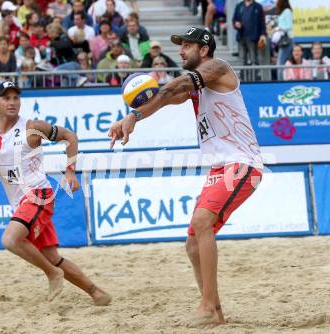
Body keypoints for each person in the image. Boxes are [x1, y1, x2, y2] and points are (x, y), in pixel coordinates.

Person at [108, 27, 263, 327]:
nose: (180, 51)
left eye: (187, 45)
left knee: (203, 221)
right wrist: (132, 118)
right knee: (192, 244)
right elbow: (164, 99)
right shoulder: (197, 86)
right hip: (220, 168)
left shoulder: (219, 68)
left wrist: (133, 114)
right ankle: (215, 311)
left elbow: (168, 89)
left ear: (204, 50)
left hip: (242, 164)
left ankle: (206, 307)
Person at [0, 81, 112, 306]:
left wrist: (70, 171)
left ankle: (52, 274)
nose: (12, 102)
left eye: (16, 97)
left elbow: (70, 137)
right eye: (6, 98)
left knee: (10, 239)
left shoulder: (32, 127)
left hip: (38, 194)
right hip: (20, 202)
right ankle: (97, 293)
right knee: (53, 257)